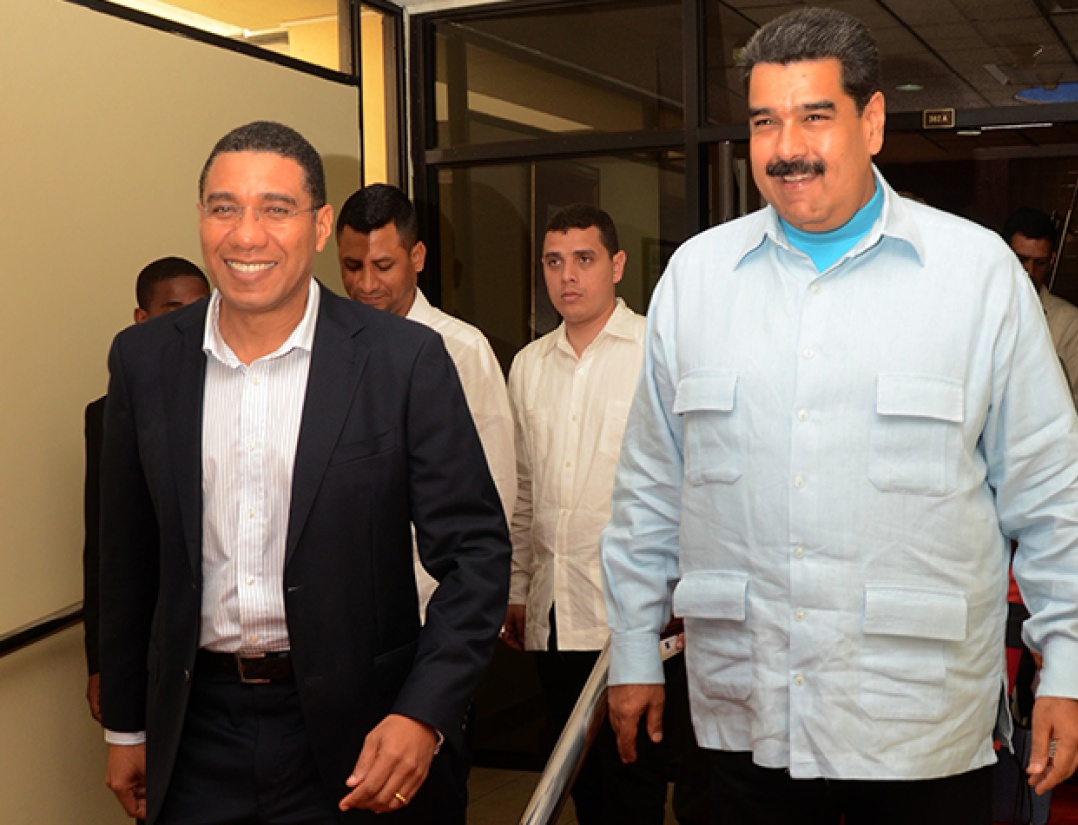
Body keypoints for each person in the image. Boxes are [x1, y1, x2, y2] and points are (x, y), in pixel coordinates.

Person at [599, 9, 1078, 825]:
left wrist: (1069, 664)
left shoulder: (974, 275)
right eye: (765, 121)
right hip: (749, 712)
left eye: (814, 116)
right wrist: (631, 645)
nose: (785, 146)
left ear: (871, 122)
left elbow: (1052, 493)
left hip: (917, 723)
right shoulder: (697, 281)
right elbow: (650, 491)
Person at [99, 121, 510, 825]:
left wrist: (424, 710)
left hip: (363, 734)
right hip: (197, 731)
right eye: (224, 207)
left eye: (275, 209)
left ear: (320, 225)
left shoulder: (403, 361)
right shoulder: (144, 360)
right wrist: (126, 725)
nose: (246, 235)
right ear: (201, 216)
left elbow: (476, 556)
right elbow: (127, 555)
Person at [335, 182, 517, 823]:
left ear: (417, 257)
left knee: (427, 796)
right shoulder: (330, 347)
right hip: (347, 632)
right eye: (351, 266)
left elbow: (489, 499)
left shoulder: (458, 349)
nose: (364, 284)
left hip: (427, 627)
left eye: (382, 266)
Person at [503, 204, 668, 824]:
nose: (567, 276)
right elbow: (524, 490)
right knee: (578, 786)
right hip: (554, 613)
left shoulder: (655, 350)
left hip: (633, 615)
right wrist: (518, 588)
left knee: (632, 787)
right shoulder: (528, 365)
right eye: (553, 261)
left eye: (584, 259)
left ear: (617, 265)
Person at [84, 257, 211, 723]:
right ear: (142, 319)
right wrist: (103, 664)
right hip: (156, 633)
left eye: (201, 309)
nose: (190, 324)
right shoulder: (108, 415)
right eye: (174, 310)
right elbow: (106, 547)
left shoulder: (235, 395)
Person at [1001, 207, 1078, 467]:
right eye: (1020, 260)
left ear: (1052, 260)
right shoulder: (978, 315)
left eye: (1039, 263)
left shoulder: (1074, 325)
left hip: (1050, 470)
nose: (1029, 272)